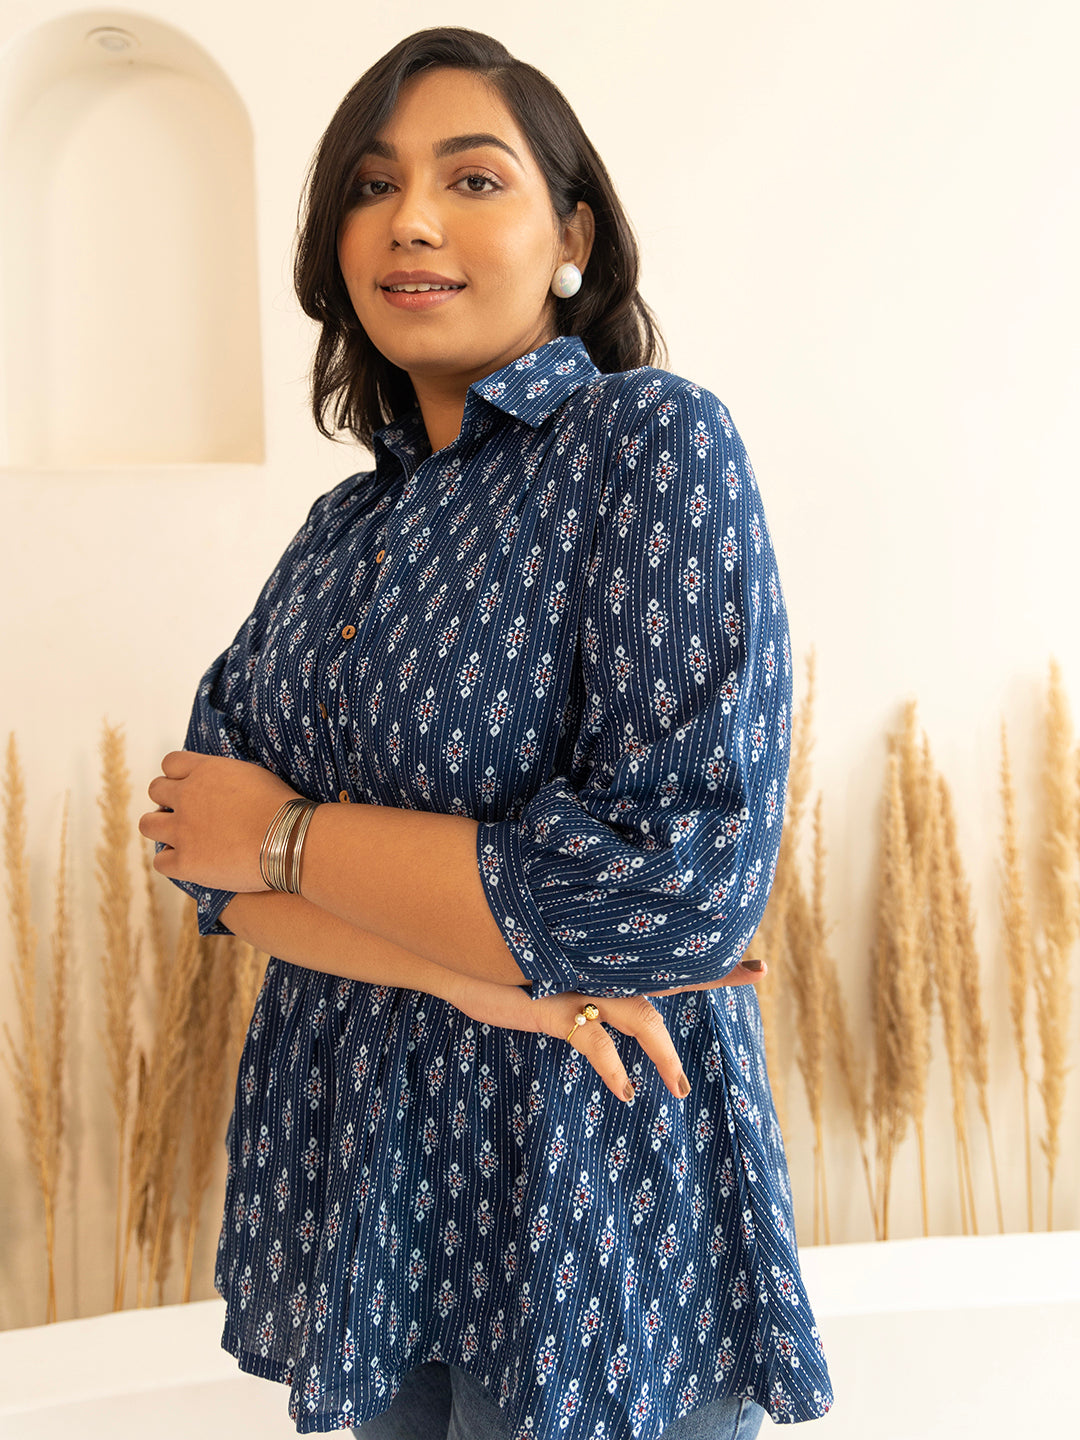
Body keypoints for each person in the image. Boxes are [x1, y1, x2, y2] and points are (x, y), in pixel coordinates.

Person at [139, 27, 833, 1440]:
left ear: (572, 235)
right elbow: (203, 861)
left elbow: (667, 893)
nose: (410, 220)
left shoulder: (647, 444)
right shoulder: (343, 527)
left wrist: (290, 836)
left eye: (472, 178)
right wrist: (488, 983)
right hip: (373, 1194)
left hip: (589, 1185)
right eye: (371, 185)